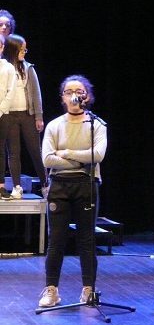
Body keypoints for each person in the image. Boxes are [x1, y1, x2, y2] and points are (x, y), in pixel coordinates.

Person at [38, 75, 107, 307]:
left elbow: (97, 156)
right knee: (56, 241)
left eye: (78, 91)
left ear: (86, 96)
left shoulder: (96, 125)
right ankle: (51, 290)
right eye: (68, 91)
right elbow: (48, 159)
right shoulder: (54, 125)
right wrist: (80, 160)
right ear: (63, 97)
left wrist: (66, 154)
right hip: (59, 185)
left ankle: (89, 289)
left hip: (87, 185)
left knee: (86, 240)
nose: (74, 95)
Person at [3, 34, 48, 199]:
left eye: (25, 49)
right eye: (22, 49)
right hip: (9, 116)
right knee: (13, 152)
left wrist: (39, 116)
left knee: (35, 151)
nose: (24, 52)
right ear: (12, 50)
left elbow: (36, 95)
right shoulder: (3, 69)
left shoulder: (28, 68)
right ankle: (16, 186)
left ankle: (45, 184)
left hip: (27, 115)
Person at [0, 34, 16, 199]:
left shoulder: (8, 68)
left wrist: (0, 110)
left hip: (3, 114)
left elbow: (11, 92)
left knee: (0, 150)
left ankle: (0, 186)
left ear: (2, 48)